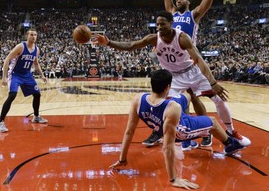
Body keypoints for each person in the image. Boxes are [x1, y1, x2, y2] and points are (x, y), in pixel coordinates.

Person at [93, 10, 251, 148]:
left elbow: (199, 59)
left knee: (219, 100)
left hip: (192, 72)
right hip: (173, 78)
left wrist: (213, 82)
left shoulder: (182, 38)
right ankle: (160, 132)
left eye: (163, 24)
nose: (160, 27)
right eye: (158, 24)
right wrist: (108, 42)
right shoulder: (154, 38)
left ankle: (231, 132)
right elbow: (131, 45)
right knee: (164, 106)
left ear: (171, 23)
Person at [109, 69, 245, 190]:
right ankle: (230, 144)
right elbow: (168, 147)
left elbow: (129, 131)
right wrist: (174, 179)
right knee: (213, 121)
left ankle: (189, 100)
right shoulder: (173, 108)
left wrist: (122, 159)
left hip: (162, 119)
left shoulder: (138, 99)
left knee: (185, 95)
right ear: (168, 87)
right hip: (181, 129)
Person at [148, 0, 216, 149]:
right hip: (172, 61)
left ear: (188, 1)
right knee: (173, 97)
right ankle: (174, 132)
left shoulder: (193, 14)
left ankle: (206, 131)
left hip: (187, 60)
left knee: (192, 97)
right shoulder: (170, 13)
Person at [0, 28, 48, 133]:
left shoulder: (37, 49)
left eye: (35, 35)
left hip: (27, 75)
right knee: (12, 95)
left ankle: (36, 116)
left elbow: (36, 64)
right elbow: (7, 59)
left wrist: (42, 75)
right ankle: (0, 123)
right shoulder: (20, 46)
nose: (34, 37)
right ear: (27, 36)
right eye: (31, 34)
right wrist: (4, 77)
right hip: (15, 74)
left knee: (37, 94)